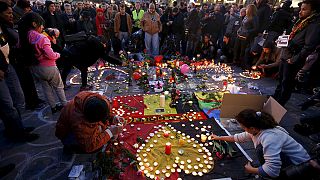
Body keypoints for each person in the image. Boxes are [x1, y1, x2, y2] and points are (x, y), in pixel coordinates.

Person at [211, 109, 311, 179]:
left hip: (299, 166)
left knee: (260, 149)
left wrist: (251, 170)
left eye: (243, 127)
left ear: (252, 128)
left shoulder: (270, 138)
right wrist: (219, 137)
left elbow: (273, 172)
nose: (242, 129)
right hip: (286, 159)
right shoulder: (258, 128)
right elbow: (237, 138)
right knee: (260, 150)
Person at [0, 2, 39, 142]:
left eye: (12, 13)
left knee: (17, 97)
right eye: (8, 13)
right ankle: (16, 132)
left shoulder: (6, 26)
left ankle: (18, 127)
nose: (11, 16)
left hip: (9, 64)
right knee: (7, 103)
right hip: (2, 68)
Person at [273, 0, 320, 106]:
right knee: (281, 79)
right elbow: (293, 36)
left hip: (294, 58)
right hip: (287, 54)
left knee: (287, 83)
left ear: (313, 11)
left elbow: (309, 46)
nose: (300, 11)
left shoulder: (314, 25)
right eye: (301, 8)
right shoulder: (301, 21)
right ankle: (275, 97)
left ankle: (279, 103)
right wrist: (282, 41)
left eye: (304, 9)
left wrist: (294, 59)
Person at [19, 12, 67, 113]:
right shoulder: (41, 37)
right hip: (48, 67)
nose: (43, 27)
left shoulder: (25, 37)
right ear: (34, 24)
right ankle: (65, 105)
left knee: (46, 88)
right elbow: (50, 54)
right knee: (59, 86)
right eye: (41, 24)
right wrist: (57, 55)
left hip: (35, 67)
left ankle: (53, 107)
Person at [55, 91, 123, 153]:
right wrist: (110, 132)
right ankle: (71, 147)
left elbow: (104, 109)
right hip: (68, 136)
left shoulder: (98, 99)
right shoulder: (80, 121)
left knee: (102, 129)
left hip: (81, 124)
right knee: (97, 147)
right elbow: (89, 146)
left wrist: (113, 117)